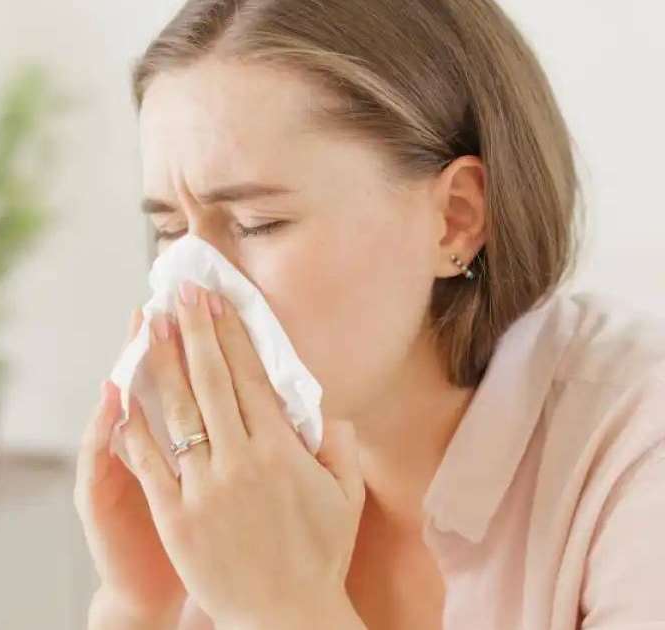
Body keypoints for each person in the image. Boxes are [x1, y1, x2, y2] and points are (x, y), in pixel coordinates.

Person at [72, 1, 665, 628]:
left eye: (257, 223)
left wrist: (286, 609)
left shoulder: (635, 455)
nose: (192, 287)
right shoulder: (239, 502)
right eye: (170, 230)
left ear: (456, 219)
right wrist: (140, 604)